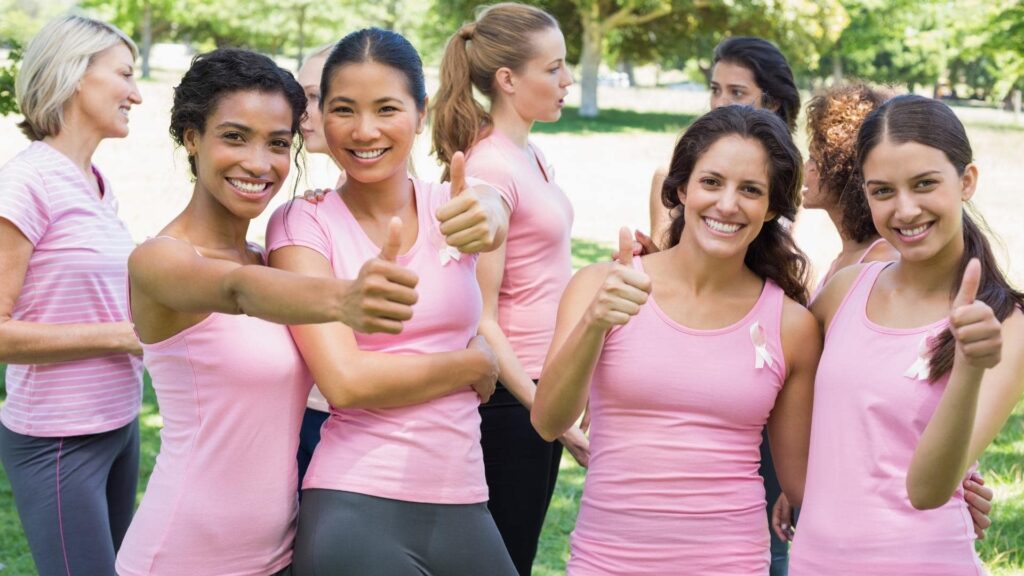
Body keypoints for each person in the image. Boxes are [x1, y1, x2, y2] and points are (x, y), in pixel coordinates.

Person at [115, 48, 418, 576]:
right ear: (191, 138)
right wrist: (345, 299)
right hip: (183, 557)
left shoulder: (271, 257)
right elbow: (236, 290)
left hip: (279, 553)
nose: (260, 164)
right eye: (235, 137)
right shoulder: (160, 260)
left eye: (279, 144)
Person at [266, 28, 518, 575]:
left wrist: (489, 214)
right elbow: (347, 382)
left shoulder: (455, 204)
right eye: (343, 110)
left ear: (421, 112)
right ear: (320, 116)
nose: (364, 131)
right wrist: (474, 363)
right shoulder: (301, 224)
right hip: (356, 505)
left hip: (464, 496)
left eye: (386, 108)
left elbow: (492, 208)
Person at [532, 105, 819, 574]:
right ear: (682, 188)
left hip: (731, 563)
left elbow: (804, 482)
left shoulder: (791, 325)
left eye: (750, 190)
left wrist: (948, 490)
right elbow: (549, 421)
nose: (727, 204)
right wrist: (595, 322)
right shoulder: (601, 286)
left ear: (770, 209)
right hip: (607, 562)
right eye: (712, 182)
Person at [789, 95, 1024, 574]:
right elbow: (772, 378)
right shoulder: (846, 291)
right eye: (883, 191)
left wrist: (968, 368)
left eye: (924, 184)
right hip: (814, 563)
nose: (906, 209)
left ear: (967, 182)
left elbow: (929, 489)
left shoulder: (1007, 325)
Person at [430, 4, 587, 573]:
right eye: (555, 68)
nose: (567, 80)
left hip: (541, 391)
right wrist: (554, 416)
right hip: (513, 401)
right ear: (508, 80)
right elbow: (483, 317)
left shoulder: (532, 154)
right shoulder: (492, 168)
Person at [0, 16, 145, 576]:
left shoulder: (94, 182)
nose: (135, 93)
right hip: (59, 439)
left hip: (118, 424)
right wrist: (124, 336)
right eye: (125, 75)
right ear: (74, 75)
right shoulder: (26, 183)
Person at [648, 36, 801, 248]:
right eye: (715, 90)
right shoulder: (671, 175)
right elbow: (660, 253)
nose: (720, 103)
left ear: (773, 102)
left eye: (737, 92)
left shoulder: (797, 185)